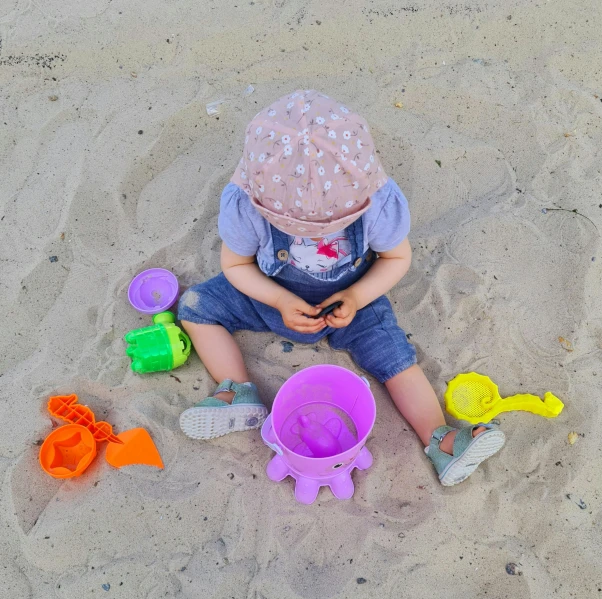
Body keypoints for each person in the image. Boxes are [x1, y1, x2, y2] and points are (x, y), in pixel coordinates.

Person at [176, 90, 505, 486]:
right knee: (196, 306)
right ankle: (237, 392)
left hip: (354, 302)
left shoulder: (378, 202)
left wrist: (357, 296)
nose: (315, 236)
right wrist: (278, 298)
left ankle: (443, 440)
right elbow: (236, 265)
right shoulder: (246, 203)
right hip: (267, 294)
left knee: (395, 357)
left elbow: (396, 259)